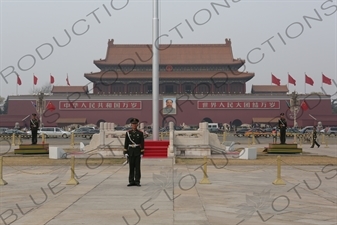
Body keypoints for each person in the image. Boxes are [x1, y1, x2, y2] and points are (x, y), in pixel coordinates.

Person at [124, 118, 145, 187]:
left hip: (137, 151)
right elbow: (126, 143)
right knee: (131, 167)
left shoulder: (140, 133)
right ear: (131, 125)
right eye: (133, 124)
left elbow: (142, 143)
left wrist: (142, 152)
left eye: (135, 124)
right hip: (130, 152)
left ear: (137, 125)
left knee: (137, 167)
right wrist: (125, 152)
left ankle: (137, 181)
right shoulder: (128, 133)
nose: (134, 125)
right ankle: (131, 181)